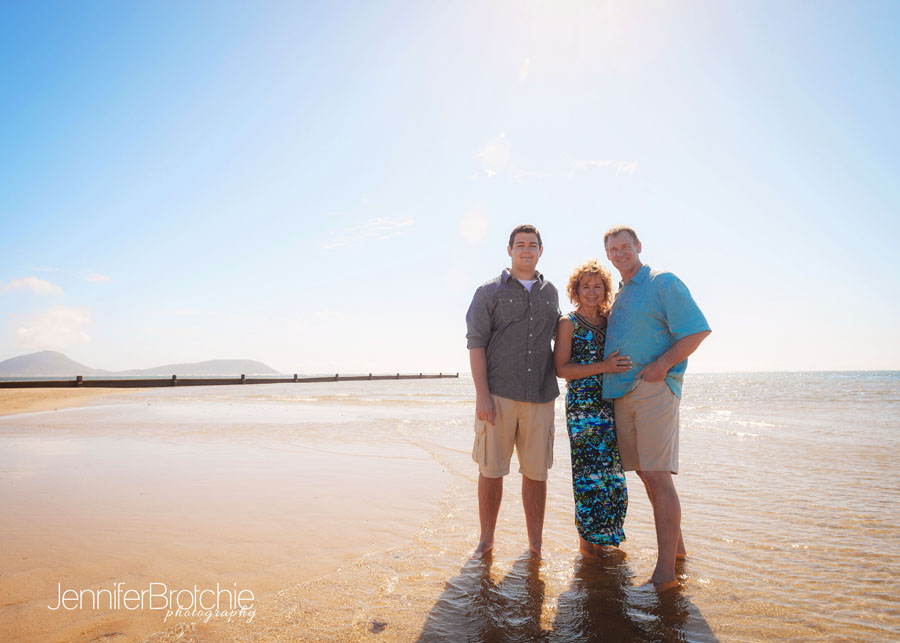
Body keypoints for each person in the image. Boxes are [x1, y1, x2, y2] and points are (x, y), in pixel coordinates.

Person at [602, 225, 711, 592]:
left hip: (654, 389)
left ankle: (664, 575)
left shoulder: (662, 282)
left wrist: (662, 366)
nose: (620, 254)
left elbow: (696, 330)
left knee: (657, 475)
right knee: (648, 474)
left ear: (638, 247)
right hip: (622, 392)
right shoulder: (621, 292)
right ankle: (678, 554)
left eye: (625, 247)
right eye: (613, 250)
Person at [465, 224, 560, 558]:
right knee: (491, 471)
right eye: (520, 244)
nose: (526, 250)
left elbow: (560, 339)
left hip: (541, 397)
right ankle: (486, 540)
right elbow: (476, 344)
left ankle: (535, 545)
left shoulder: (551, 293)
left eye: (532, 245)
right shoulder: (488, 292)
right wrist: (482, 396)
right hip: (499, 396)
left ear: (540, 250)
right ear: (509, 250)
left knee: (536, 474)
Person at [554, 259, 632, 558]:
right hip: (583, 411)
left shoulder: (610, 320)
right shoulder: (568, 323)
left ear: (605, 290)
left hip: (612, 406)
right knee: (588, 477)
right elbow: (562, 370)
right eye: (585, 286)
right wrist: (605, 366)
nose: (591, 291)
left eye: (597, 286)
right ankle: (587, 545)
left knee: (612, 477)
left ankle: (607, 539)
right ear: (575, 290)